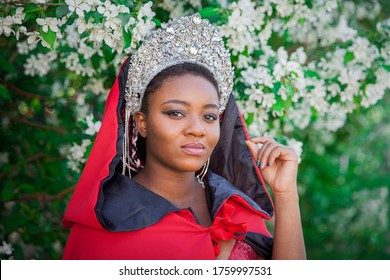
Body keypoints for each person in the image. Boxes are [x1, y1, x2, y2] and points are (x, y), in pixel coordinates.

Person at [62, 13, 306, 260]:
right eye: (176, 113)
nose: (197, 129)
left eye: (209, 117)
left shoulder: (235, 208)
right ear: (142, 122)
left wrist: (286, 194)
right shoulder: (105, 228)